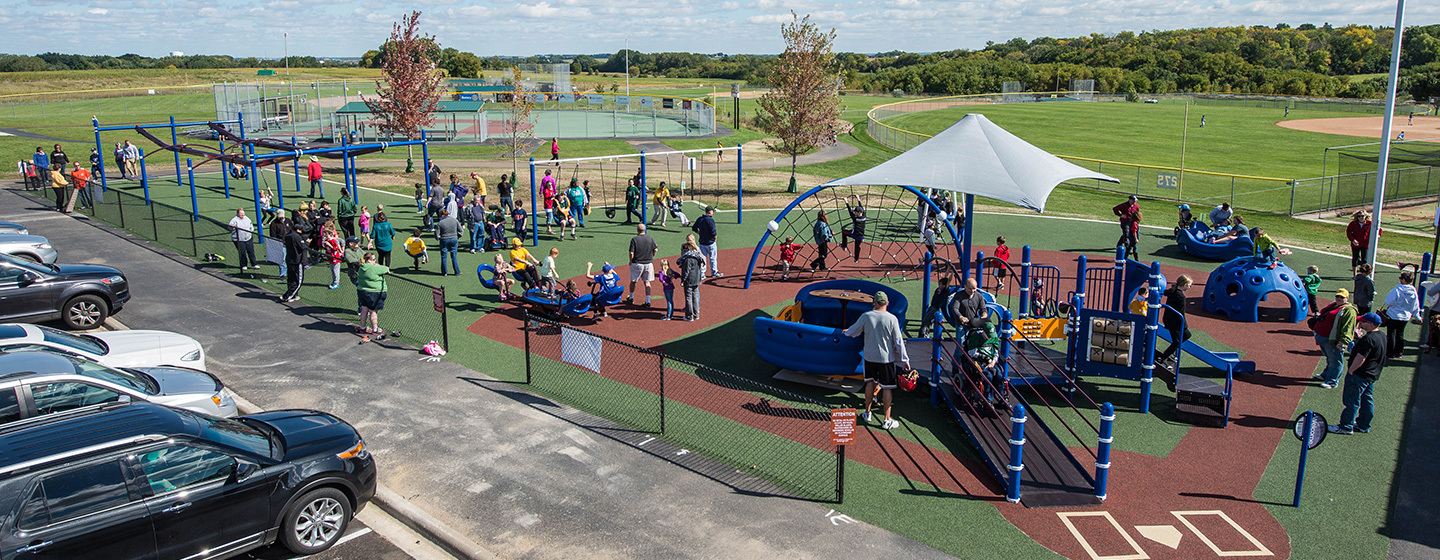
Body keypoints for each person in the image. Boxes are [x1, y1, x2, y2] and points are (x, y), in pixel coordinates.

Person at [843, 290, 910, 430]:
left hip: (869, 357)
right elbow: (898, 341)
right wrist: (905, 360)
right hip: (886, 359)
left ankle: (867, 412)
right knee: (887, 388)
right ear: (887, 303)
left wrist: (846, 332)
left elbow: (853, 331)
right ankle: (887, 419)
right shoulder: (892, 319)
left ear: (874, 303)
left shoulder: (866, 316)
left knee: (869, 383)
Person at [1329, 313, 1387, 435]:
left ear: (1371, 324)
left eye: (1364, 322)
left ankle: (1346, 426)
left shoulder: (1368, 339)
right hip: (1371, 375)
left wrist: (1351, 371)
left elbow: (1361, 358)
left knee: (1352, 401)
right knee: (1367, 400)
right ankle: (1364, 424)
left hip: (1360, 375)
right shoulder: (1381, 335)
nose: (1361, 324)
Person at [1313, 288, 1358, 389]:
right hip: (1323, 337)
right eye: (1337, 296)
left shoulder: (1349, 310)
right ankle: (1326, 374)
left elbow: (1347, 327)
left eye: (1342, 297)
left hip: (1332, 339)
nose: (1339, 298)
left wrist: (1343, 341)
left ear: (1347, 298)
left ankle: (1332, 381)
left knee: (1335, 360)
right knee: (1330, 358)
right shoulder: (1334, 305)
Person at [1156, 275, 1193, 366]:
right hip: (1175, 322)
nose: (1189, 287)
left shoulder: (1173, 291)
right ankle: (1162, 358)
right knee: (1177, 341)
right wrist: (1184, 325)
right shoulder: (1181, 297)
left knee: (1186, 335)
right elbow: (1181, 313)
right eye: (1189, 285)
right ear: (1184, 285)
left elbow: (1165, 292)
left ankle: (1170, 352)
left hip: (1168, 319)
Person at [1382, 271, 1420, 358]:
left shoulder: (1396, 290)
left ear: (1403, 280)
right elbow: (1415, 305)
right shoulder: (1413, 292)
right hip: (1405, 317)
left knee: (1391, 334)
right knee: (1400, 334)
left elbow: (1388, 302)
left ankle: (1389, 353)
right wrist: (1417, 316)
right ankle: (1399, 352)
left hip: (1393, 315)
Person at [355, 252, 390, 340]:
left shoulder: (362, 267)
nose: (375, 261)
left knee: (364, 309)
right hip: (374, 292)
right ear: (369, 260)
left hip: (362, 291)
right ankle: (375, 328)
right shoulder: (374, 268)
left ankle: (363, 328)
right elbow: (386, 268)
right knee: (373, 311)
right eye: (373, 259)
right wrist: (377, 266)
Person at [678, 241, 706, 321]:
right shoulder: (697, 257)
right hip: (696, 279)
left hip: (689, 281)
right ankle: (696, 314)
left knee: (688, 298)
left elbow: (686, 271)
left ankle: (689, 316)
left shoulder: (688, 259)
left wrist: (683, 280)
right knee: (694, 297)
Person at [282, 222, 307, 302]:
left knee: (291, 278)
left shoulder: (288, 235)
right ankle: (288, 296)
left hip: (289, 259)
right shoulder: (296, 237)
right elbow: (302, 247)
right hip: (297, 260)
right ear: (298, 230)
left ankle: (292, 294)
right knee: (298, 280)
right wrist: (307, 242)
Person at [692, 206, 720, 278]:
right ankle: (714, 272)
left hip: (702, 242)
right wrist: (715, 238)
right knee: (713, 258)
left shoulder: (700, 219)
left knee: (702, 258)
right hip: (710, 242)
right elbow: (713, 231)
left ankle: (702, 274)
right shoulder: (710, 220)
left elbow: (694, 228)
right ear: (710, 211)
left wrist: (699, 233)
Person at [840, 194, 867, 262]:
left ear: (859, 213)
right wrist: (858, 199)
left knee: (844, 232)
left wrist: (846, 202)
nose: (854, 213)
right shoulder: (864, 216)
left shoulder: (855, 218)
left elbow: (850, 211)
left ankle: (844, 246)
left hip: (854, 234)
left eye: (855, 212)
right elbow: (861, 208)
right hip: (861, 236)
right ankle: (856, 259)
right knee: (857, 247)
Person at [435, 208, 461, 276]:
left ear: (442, 215)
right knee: (454, 256)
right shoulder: (454, 220)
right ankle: (457, 271)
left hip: (444, 240)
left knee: (444, 256)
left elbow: (437, 235)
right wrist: (457, 236)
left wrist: (439, 238)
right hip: (454, 239)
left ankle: (444, 272)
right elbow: (460, 230)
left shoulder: (440, 223)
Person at [322, 224, 344, 289]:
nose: (323, 235)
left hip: (335, 258)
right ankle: (334, 282)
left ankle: (336, 283)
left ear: (327, 233)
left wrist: (329, 245)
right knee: (332, 270)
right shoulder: (327, 240)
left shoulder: (332, 240)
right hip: (330, 257)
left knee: (335, 270)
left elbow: (336, 248)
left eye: (324, 233)